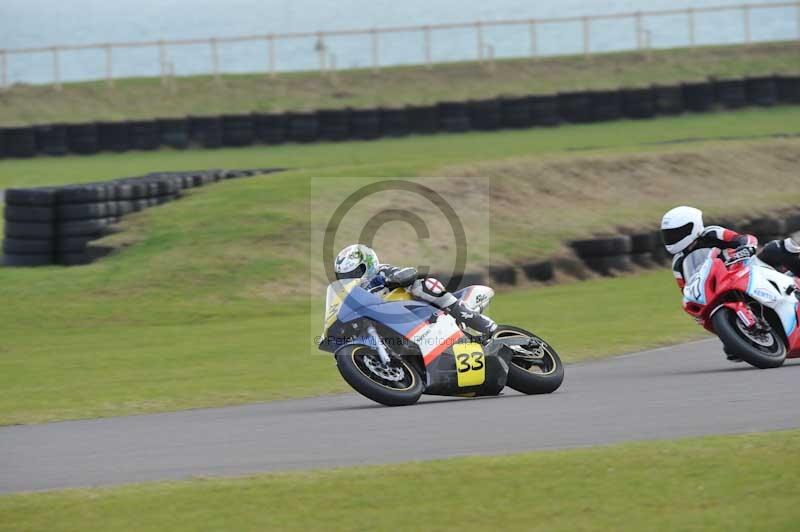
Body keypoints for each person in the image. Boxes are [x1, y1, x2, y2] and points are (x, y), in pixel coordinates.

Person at [333, 244, 497, 337]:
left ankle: (465, 314)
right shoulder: (354, 295)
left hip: (421, 310)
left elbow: (409, 272)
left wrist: (395, 279)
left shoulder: (381, 271)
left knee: (423, 285)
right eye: (345, 276)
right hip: (398, 325)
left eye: (354, 272)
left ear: (367, 264)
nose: (351, 278)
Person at [661, 206, 800, 291]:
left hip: (745, 269)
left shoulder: (712, 233)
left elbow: (744, 239)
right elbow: (686, 290)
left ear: (692, 226)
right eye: (669, 235)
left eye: (676, 233)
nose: (672, 238)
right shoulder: (678, 263)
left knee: (775, 248)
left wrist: (746, 248)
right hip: (718, 288)